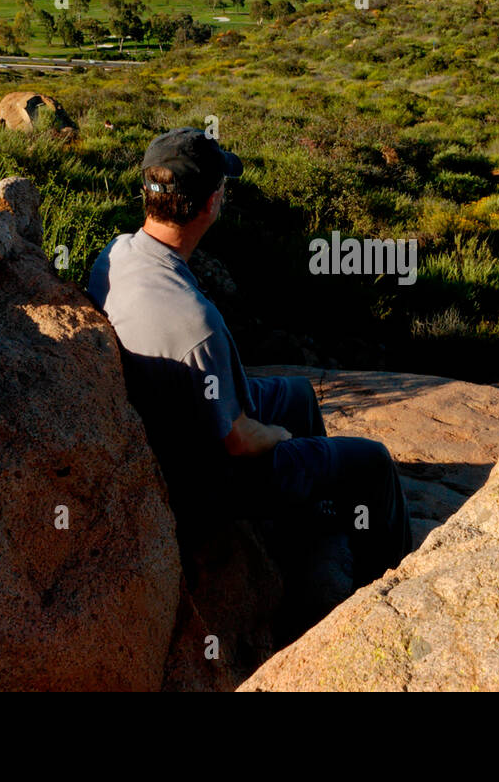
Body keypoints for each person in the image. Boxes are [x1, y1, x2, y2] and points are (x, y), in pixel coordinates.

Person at [87, 127, 412, 625]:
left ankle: (308, 525)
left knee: (299, 393)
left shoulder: (118, 254)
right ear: (212, 203)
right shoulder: (195, 322)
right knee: (373, 462)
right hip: (207, 477)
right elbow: (239, 439)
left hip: (169, 419)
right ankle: (389, 596)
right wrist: (278, 437)